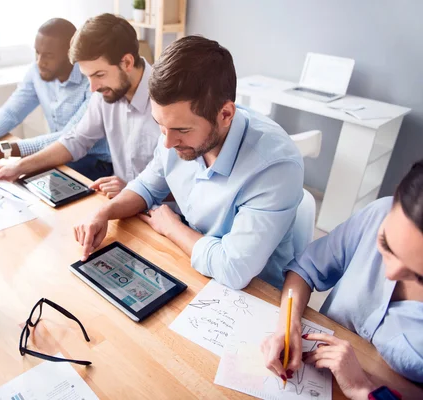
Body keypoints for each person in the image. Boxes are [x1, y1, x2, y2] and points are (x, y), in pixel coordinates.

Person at [73, 36, 304, 290]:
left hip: (254, 294)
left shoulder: (275, 167)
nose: (168, 143)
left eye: (181, 130)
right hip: (191, 265)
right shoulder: (174, 133)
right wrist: (102, 213)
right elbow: (148, 187)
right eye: (160, 125)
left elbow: (233, 268)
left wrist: (171, 227)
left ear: (225, 114)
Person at [261, 160, 423, 399]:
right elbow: (305, 269)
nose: (389, 275)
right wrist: (289, 324)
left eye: (418, 275)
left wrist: (362, 388)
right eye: (386, 245)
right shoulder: (379, 213)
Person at [0, 14, 160, 199]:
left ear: (127, 63)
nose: (93, 88)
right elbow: (76, 140)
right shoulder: (105, 94)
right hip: (125, 202)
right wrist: (18, 166)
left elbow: (188, 183)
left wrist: (136, 190)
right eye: (87, 76)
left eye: (99, 74)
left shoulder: (168, 97)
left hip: (166, 213)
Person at [0, 18, 112, 181]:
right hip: (58, 153)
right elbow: (12, 110)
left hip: (95, 162)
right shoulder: (38, 71)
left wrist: (4, 150)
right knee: (0, 175)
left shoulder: (93, 82)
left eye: (48, 55)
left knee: (19, 177)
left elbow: (70, 138)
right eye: (37, 53)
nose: (40, 62)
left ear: (71, 54)